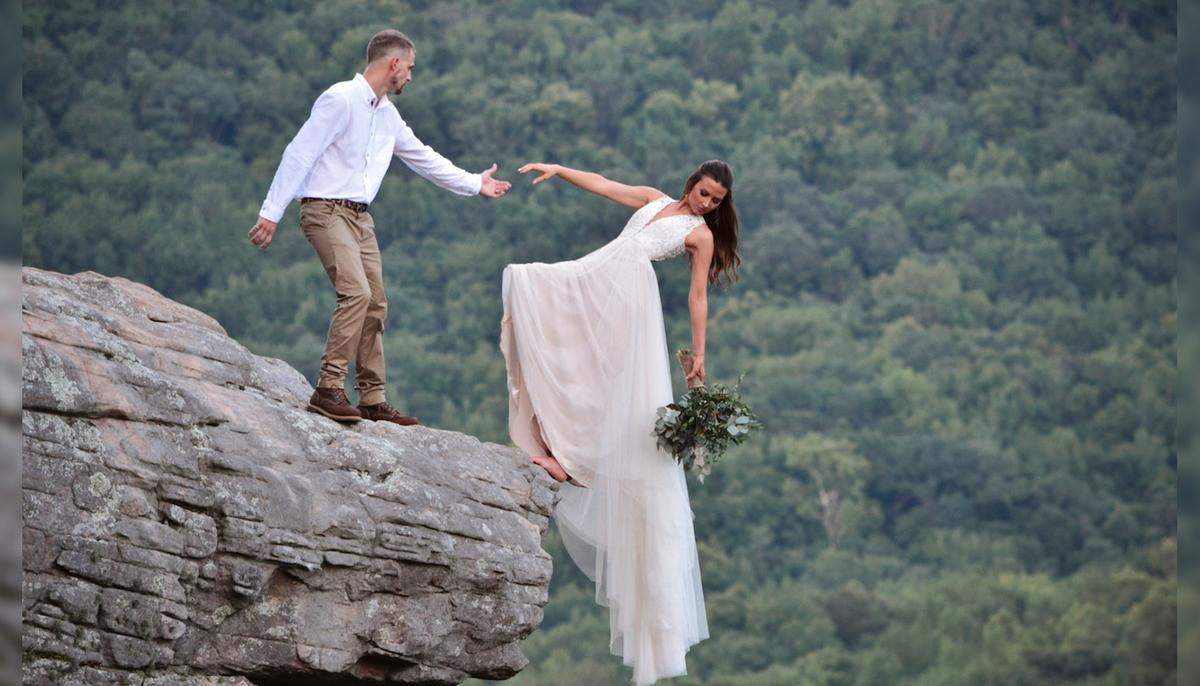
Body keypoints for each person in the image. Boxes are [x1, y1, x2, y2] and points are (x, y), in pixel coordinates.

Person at [499, 160, 741, 685]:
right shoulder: (654, 199)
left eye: (715, 201)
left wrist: (699, 353)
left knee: (605, 383)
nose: (705, 204)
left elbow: (698, 295)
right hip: (600, 276)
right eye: (703, 193)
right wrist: (560, 170)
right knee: (533, 289)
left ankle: (572, 462)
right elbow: (607, 186)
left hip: (630, 299)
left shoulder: (700, 236)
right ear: (691, 184)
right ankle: (559, 445)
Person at [248, 29, 510, 425]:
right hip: (324, 210)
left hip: (360, 217)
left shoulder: (388, 115)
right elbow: (300, 153)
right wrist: (272, 212)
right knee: (356, 293)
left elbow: (424, 158)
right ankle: (328, 388)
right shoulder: (340, 99)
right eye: (410, 68)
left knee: (375, 303)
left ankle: (372, 399)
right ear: (394, 63)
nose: (410, 76)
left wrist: (475, 183)